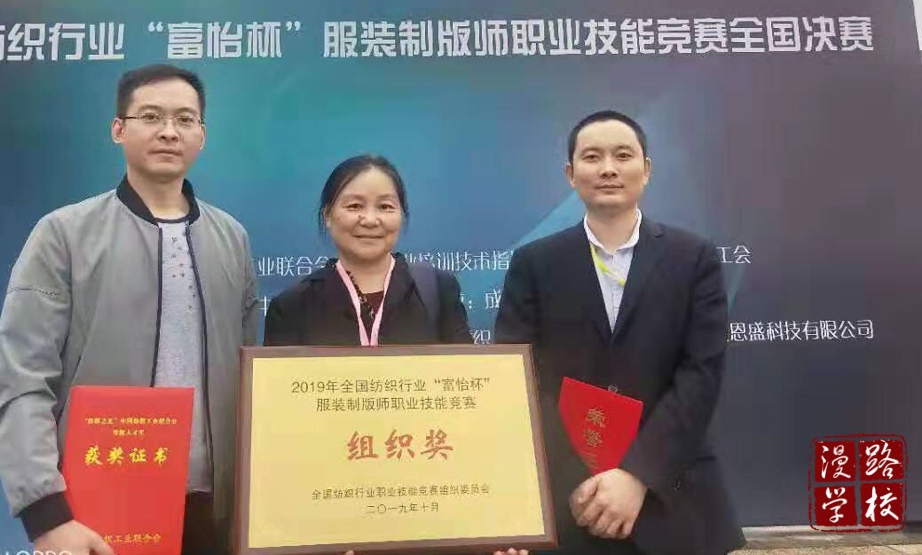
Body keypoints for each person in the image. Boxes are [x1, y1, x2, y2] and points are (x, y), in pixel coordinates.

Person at [0, 64, 260, 555]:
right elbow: (23, 378)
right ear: (118, 129)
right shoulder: (64, 234)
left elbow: (249, 379)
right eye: (150, 116)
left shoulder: (232, 239)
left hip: (216, 512)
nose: (169, 131)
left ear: (202, 135)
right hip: (97, 510)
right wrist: (47, 515)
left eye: (185, 119)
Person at [494, 110, 744, 555]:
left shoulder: (693, 257)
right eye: (592, 157)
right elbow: (520, 377)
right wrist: (579, 479)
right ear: (571, 174)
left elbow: (700, 374)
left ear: (646, 170)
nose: (608, 168)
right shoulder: (535, 263)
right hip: (570, 503)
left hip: (673, 498)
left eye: (623, 155)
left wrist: (637, 475)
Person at [264, 154, 472, 346]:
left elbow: (466, 370)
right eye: (354, 206)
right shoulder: (291, 307)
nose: (370, 220)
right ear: (327, 215)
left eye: (385, 207)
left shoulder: (438, 290)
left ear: (401, 214)